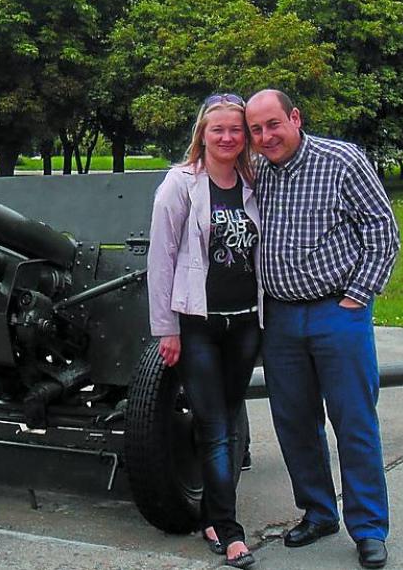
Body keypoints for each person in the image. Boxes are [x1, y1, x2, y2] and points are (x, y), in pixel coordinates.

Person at [245, 89, 400, 570]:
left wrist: (358, 295)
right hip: (281, 316)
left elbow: (382, 231)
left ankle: (368, 528)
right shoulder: (256, 173)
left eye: (273, 124)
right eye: (256, 129)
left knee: (354, 420)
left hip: (337, 311)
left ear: (295, 117)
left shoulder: (342, 161)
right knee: (294, 421)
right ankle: (318, 512)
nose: (266, 136)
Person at [147, 93, 262, 569]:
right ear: (203, 134)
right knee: (214, 426)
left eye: (236, 130)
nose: (227, 138)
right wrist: (166, 328)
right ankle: (230, 533)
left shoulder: (253, 182)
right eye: (219, 130)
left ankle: (214, 516)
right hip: (198, 324)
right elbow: (161, 258)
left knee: (228, 422)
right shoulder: (180, 184)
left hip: (245, 323)